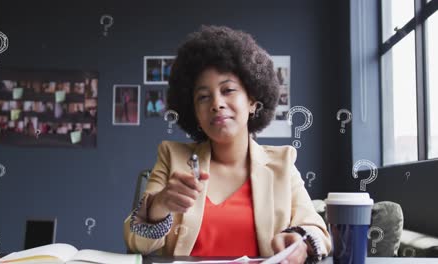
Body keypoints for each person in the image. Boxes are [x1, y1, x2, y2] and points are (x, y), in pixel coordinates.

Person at [124, 25, 331, 263]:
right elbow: (133, 241)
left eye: (228, 90)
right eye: (203, 96)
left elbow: (316, 230)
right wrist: (159, 205)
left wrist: (299, 243)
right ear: (194, 113)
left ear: (253, 101)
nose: (216, 103)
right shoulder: (172, 157)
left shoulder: (281, 163)